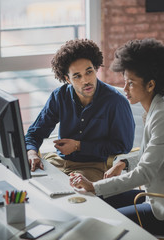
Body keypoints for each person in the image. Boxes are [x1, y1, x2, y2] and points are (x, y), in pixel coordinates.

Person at [70, 38, 164, 236]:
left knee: (106, 221)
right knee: (96, 202)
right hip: (161, 198)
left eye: (131, 83)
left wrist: (94, 186)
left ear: (150, 85)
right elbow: (151, 154)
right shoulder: (156, 108)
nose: (124, 88)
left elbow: (145, 173)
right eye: (125, 81)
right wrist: (124, 163)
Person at [25, 39, 135, 182]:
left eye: (89, 72)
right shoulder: (59, 96)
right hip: (58, 161)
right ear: (67, 79)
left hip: (94, 167)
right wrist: (32, 153)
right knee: (31, 183)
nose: (86, 80)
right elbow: (35, 133)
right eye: (77, 76)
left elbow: (123, 146)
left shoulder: (115, 102)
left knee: (71, 196)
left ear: (96, 69)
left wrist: (78, 146)